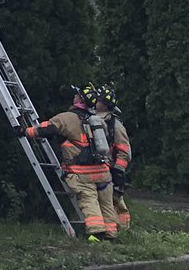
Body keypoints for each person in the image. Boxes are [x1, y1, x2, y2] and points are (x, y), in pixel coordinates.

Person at [20, 85, 118, 241]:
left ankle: (97, 233)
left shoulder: (68, 117)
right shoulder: (99, 120)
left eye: (76, 95)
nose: (74, 97)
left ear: (80, 99)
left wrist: (25, 131)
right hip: (102, 171)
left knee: (89, 200)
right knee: (107, 203)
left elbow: (47, 128)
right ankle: (111, 234)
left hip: (82, 173)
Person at [85, 82, 132, 233]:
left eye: (98, 100)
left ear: (104, 105)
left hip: (112, 168)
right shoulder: (92, 118)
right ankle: (109, 230)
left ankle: (123, 230)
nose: (96, 102)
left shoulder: (115, 124)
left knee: (116, 202)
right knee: (102, 202)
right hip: (97, 167)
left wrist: (118, 172)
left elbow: (124, 151)